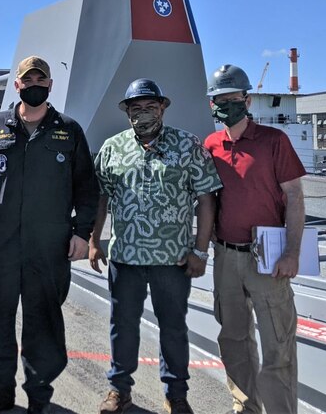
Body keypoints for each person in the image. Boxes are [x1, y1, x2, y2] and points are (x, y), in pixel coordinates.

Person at [0, 56, 99, 414]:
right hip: (2, 242)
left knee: (44, 319)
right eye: (28, 80)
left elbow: (87, 188)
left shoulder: (68, 130)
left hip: (50, 244)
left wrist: (82, 233)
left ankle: (40, 394)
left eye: (41, 79)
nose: (34, 85)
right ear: (18, 86)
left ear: (51, 85)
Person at [89, 78, 221, 414]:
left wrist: (200, 250)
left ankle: (176, 394)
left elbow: (206, 199)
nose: (143, 113)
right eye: (137, 108)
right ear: (127, 112)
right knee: (123, 325)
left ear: (162, 108)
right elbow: (100, 199)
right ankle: (119, 390)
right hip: (125, 257)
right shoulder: (112, 148)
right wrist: (94, 241)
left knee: (173, 328)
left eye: (150, 107)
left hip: (173, 259)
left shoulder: (188, 146)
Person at [203, 65, 305, 414]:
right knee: (233, 340)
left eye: (232, 99)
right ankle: (245, 408)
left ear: (247, 100)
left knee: (277, 344)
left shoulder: (274, 142)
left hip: (268, 257)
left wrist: (292, 252)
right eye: (219, 100)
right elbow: (207, 200)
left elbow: (294, 197)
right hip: (226, 256)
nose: (225, 105)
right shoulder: (211, 144)